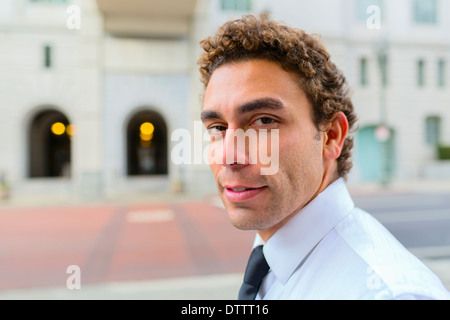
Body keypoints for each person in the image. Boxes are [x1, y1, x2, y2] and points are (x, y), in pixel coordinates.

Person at [198, 14, 450, 300]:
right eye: (217, 128)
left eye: (264, 121)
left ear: (331, 136)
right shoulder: (272, 258)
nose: (230, 156)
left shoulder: (388, 294)